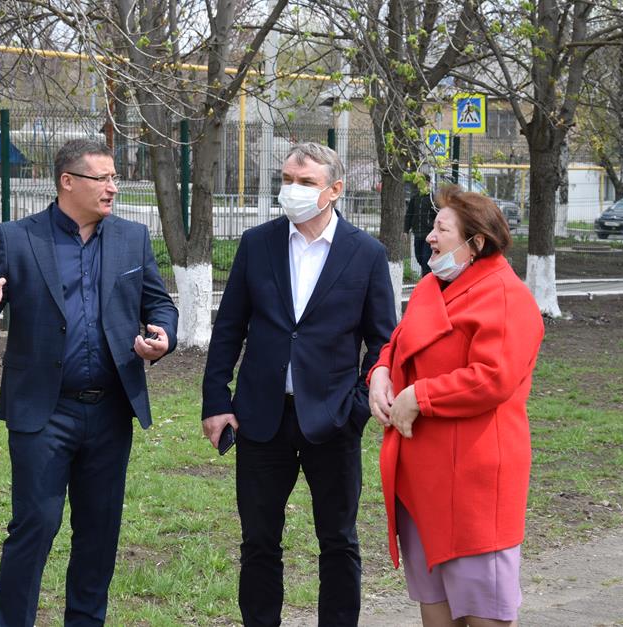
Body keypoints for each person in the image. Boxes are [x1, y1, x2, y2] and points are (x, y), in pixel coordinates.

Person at [0, 138, 178, 626]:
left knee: (99, 532)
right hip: (43, 411)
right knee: (35, 524)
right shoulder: (18, 238)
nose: (113, 188)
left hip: (110, 411)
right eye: (103, 178)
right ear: (68, 181)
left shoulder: (132, 238)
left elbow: (159, 304)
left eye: (115, 178)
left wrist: (164, 335)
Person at [201, 141, 396, 626]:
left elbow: (383, 341)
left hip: (332, 420)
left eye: (305, 182)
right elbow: (228, 329)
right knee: (258, 541)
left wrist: (357, 407)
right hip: (260, 419)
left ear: (335, 189)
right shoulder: (257, 243)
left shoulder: (366, 253)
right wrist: (216, 400)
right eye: (287, 179)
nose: (292, 189)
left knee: (338, 541)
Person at [368, 184, 544, 627]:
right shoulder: (432, 286)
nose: (430, 236)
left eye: (441, 229)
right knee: (435, 603)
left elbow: (493, 376)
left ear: (476, 243)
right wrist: (381, 373)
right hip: (422, 477)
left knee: (483, 610)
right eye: (433, 226)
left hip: (474, 481)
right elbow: (399, 342)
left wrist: (420, 396)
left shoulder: (506, 296)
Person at [405, 188, 436, 276]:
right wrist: (406, 230)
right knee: (419, 258)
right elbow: (409, 214)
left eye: (426, 183)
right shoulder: (415, 198)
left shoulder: (433, 198)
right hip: (417, 233)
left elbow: (437, 214)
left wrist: (433, 225)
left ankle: (426, 278)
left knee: (426, 259)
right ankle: (427, 275)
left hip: (428, 234)